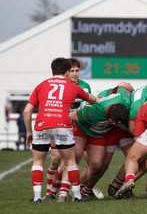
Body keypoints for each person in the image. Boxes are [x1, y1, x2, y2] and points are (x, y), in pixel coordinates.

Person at [23, 57, 98, 203]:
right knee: (70, 161)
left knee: (38, 162)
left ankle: (37, 197)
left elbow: (27, 111)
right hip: (62, 125)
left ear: (53, 71)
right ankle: (77, 196)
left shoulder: (41, 85)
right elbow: (92, 100)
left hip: (42, 125)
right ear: (66, 71)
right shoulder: (74, 87)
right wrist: (99, 100)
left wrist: (28, 132)